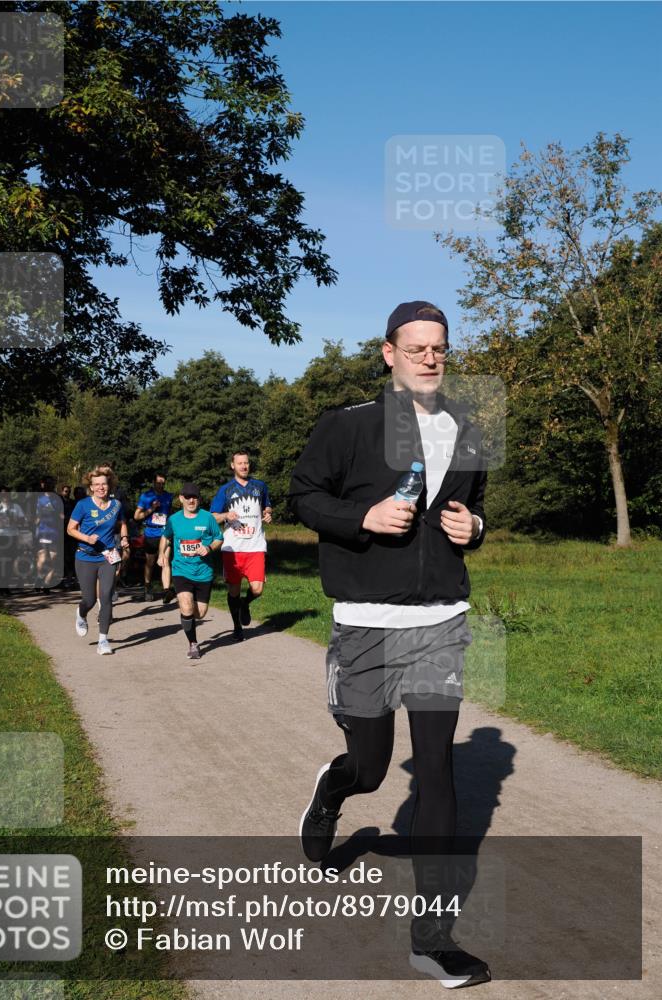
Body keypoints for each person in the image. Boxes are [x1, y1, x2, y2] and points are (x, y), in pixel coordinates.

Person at [289, 300, 490, 989]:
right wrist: (363, 517)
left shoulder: (467, 428)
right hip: (365, 621)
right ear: (388, 353)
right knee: (372, 766)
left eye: (440, 348)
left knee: (436, 769)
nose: (430, 359)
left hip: (440, 619)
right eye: (416, 348)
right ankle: (334, 787)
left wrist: (475, 528)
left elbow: (472, 506)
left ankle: (432, 941)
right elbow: (304, 496)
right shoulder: (347, 425)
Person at [211, 451, 272, 642]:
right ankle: (237, 627)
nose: (244, 466)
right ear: (233, 466)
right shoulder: (225, 490)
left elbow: (267, 505)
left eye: (246, 463)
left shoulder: (260, 486)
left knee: (257, 589)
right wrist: (225, 516)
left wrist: (268, 513)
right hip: (233, 548)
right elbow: (213, 517)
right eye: (240, 463)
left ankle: (245, 604)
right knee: (234, 591)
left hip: (255, 546)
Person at [67, 466, 129, 655]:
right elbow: (70, 529)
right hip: (85, 556)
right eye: (97, 484)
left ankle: (103, 640)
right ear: (91, 487)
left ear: (109, 485)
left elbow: (123, 523)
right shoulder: (83, 505)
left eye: (104, 484)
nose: (101, 487)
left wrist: (124, 538)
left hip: (107, 555)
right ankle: (81, 613)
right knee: (90, 599)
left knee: (106, 596)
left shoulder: (116, 505)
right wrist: (86, 538)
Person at [158, 483, 223, 660]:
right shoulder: (174, 519)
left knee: (200, 613)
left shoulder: (207, 518)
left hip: (204, 571)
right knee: (187, 606)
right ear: (181, 499)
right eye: (187, 497)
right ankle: (193, 643)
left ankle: (186, 613)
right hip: (181, 570)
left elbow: (219, 538)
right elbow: (165, 536)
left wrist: (209, 548)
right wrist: (162, 554)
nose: (191, 500)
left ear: (199, 499)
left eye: (194, 497)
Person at [134, 473, 174, 602]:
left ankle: (166, 591)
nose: (161, 485)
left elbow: (170, 513)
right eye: (158, 483)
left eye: (163, 483)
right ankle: (147, 587)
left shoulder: (168, 496)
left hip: (165, 533)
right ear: (153, 483)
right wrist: (152, 508)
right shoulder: (146, 496)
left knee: (165, 561)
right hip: (151, 533)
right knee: (150, 563)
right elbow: (136, 516)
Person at [34, 476, 63, 591]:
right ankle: (39, 578)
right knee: (43, 559)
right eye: (46, 483)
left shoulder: (57, 499)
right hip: (43, 532)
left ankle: (46, 584)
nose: (49, 485)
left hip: (54, 532)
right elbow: (36, 516)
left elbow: (61, 515)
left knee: (53, 559)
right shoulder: (38, 498)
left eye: (51, 483)